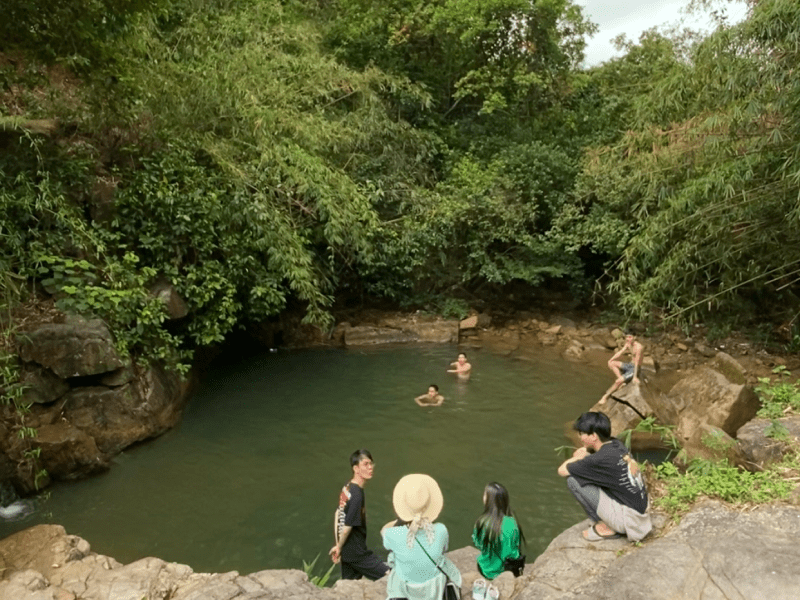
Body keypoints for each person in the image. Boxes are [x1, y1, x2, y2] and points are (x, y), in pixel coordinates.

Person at [557, 412, 652, 542]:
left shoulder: (598, 460)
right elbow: (599, 456)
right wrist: (587, 451)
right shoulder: (616, 444)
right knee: (590, 477)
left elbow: (562, 471)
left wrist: (577, 457)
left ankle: (607, 525)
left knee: (573, 481)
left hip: (630, 521)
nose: (580, 437)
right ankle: (612, 522)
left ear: (594, 436)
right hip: (641, 512)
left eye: (582, 433)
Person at [381, 474, 462, 600]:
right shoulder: (441, 530)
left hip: (406, 588)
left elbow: (384, 533)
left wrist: (400, 521)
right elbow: (444, 550)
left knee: (393, 558)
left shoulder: (394, 535)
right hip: (434, 587)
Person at [330, 449, 389, 580]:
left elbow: (338, 514)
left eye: (371, 464)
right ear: (356, 468)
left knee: (349, 585)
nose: (370, 468)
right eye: (366, 464)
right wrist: (339, 547)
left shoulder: (348, 487)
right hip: (357, 553)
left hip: (347, 551)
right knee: (389, 574)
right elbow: (347, 527)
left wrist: (338, 545)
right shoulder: (356, 495)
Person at [472, 482, 525, 580]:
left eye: (485, 494)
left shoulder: (482, 522)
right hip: (508, 570)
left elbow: (478, 544)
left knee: (483, 559)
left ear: (489, 500)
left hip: (487, 571)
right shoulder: (512, 522)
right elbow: (514, 547)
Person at [600, 332, 643, 404]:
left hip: (636, 368)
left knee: (617, 381)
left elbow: (637, 362)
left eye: (630, 337)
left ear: (634, 337)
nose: (628, 339)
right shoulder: (628, 344)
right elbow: (620, 352)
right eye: (626, 337)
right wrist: (610, 360)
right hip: (630, 365)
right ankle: (622, 382)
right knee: (612, 363)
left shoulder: (639, 347)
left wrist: (635, 377)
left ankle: (605, 396)